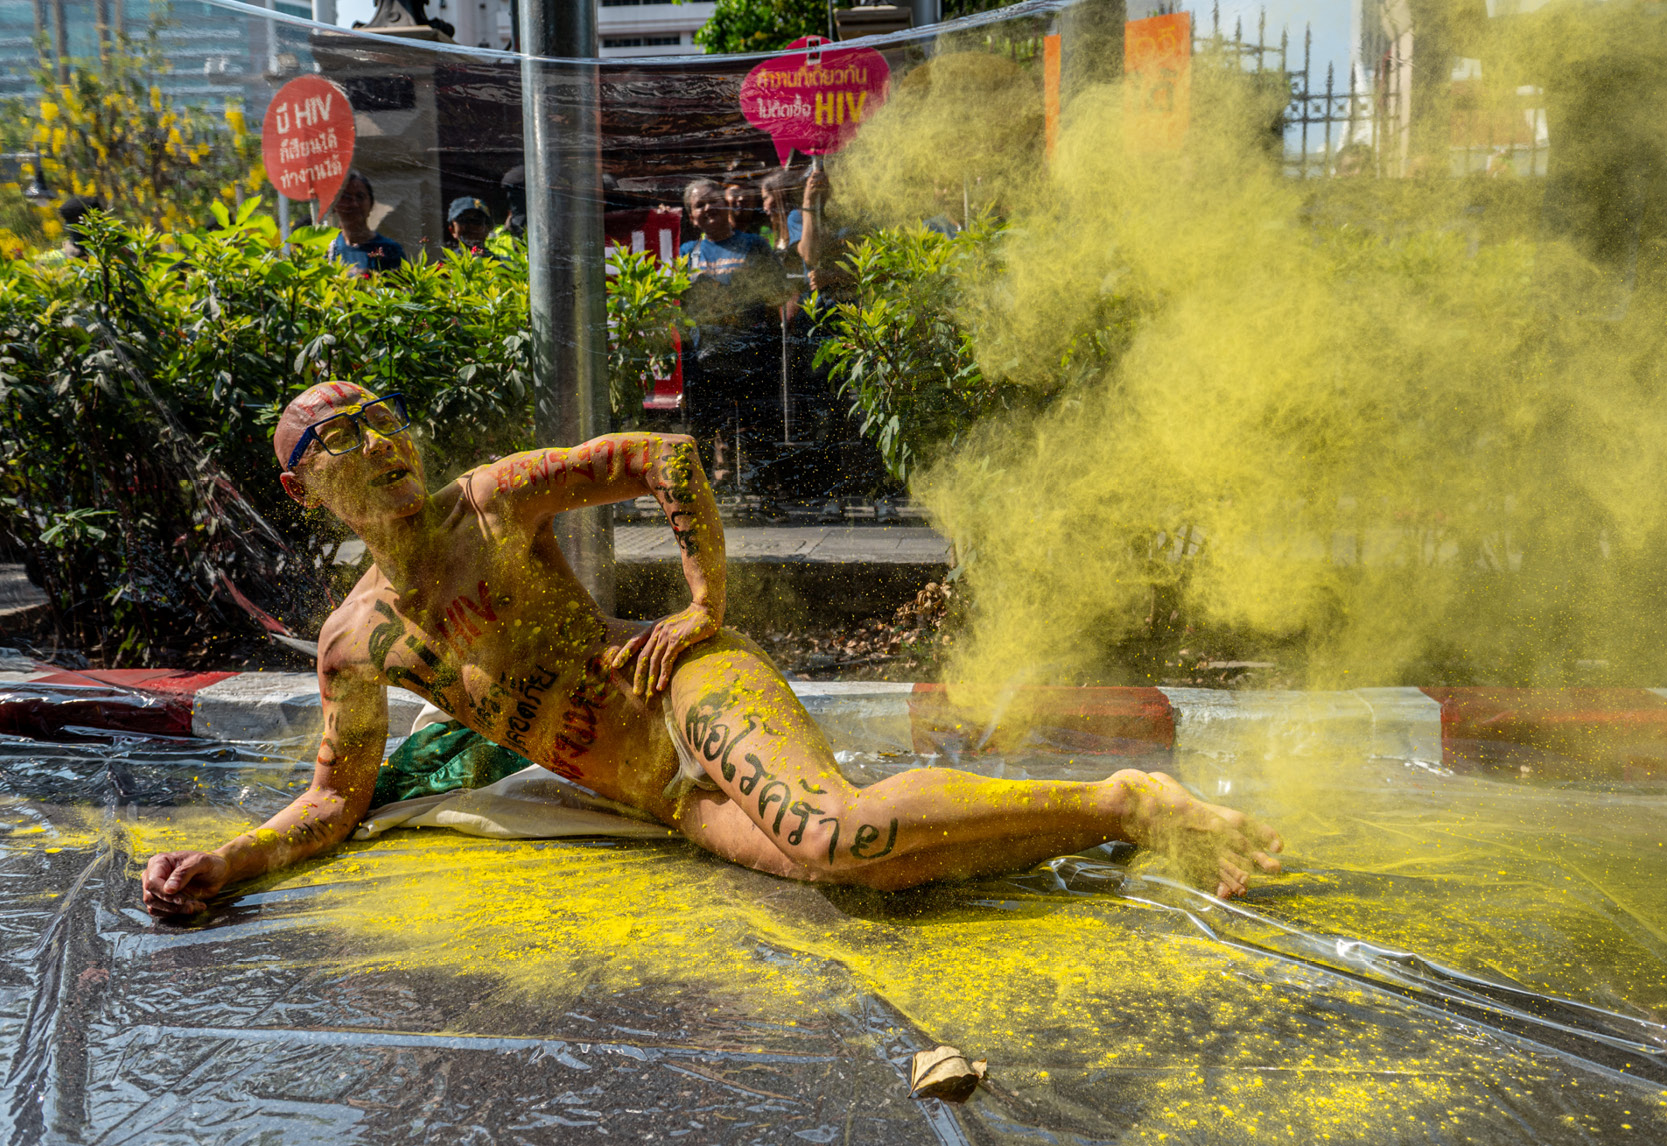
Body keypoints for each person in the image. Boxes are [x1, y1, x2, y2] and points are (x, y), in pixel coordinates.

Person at [139, 381, 1284, 917]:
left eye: (384, 418)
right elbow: (332, 800)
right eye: (341, 438)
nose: (380, 442)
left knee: (833, 828)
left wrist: (700, 604)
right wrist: (229, 861)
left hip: (683, 690)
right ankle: (1111, 819)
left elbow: (665, 456)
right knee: (851, 868)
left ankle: (1132, 799)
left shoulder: (489, 503)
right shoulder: (354, 643)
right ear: (301, 490)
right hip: (661, 797)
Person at [679, 177, 789, 485]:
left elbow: (778, 293)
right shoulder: (687, 252)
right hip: (703, 358)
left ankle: (764, 496)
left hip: (751, 354)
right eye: (699, 205)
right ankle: (707, 495)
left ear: (726, 204)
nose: (707, 208)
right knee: (704, 429)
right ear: (692, 217)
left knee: (757, 427)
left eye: (713, 201)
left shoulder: (754, 245)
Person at [328, 171, 406, 275]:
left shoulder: (389, 250)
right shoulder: (330, 250)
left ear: (371, 204)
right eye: (346, 197)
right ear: (334, 205)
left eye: (360, 197)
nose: (354, 204)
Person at [439, 196, 499, 262]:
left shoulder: (500, 264)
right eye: (463, 220)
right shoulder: (446, 265)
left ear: (487, 229)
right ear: (452, 230)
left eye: (477, 220)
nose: (471, 226)